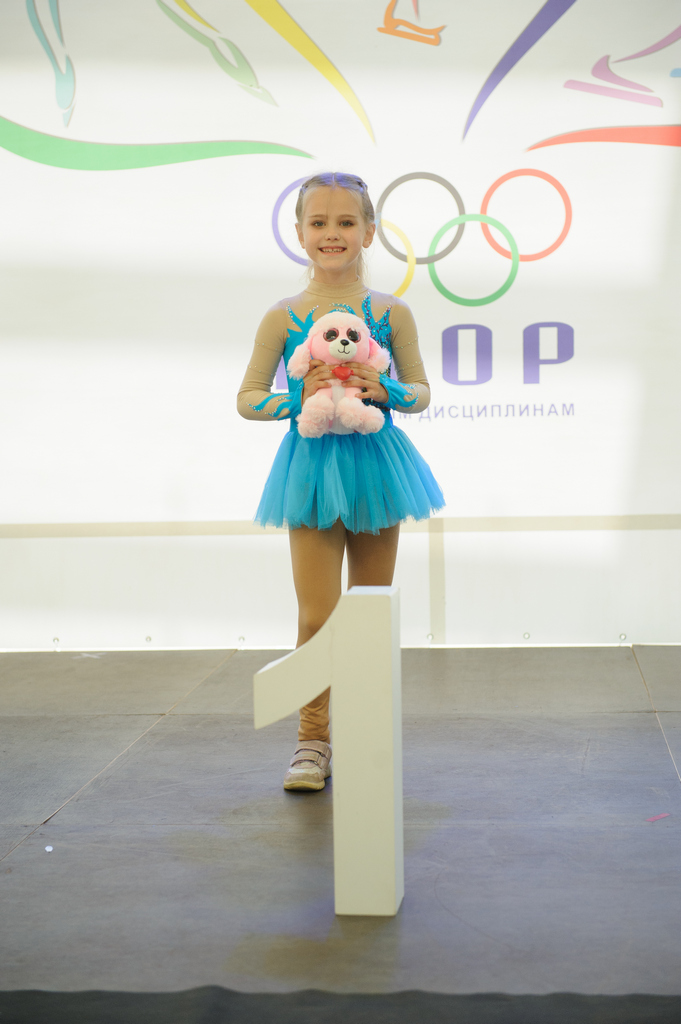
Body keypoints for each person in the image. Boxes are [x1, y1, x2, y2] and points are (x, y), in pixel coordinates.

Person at [237, 172, 444, 791]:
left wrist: (389, 390)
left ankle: (366, 730)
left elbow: (421, 391)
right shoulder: (282, 318)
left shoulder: (392, 313)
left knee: (370, 612)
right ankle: (312, 739)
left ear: (370, 232)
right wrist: (294, 400)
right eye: (319, 223)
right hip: (309, 470)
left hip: (377, 468)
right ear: (300, 233)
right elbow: (247, 398)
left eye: (346, 222)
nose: (332, 234)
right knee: (317, 613)